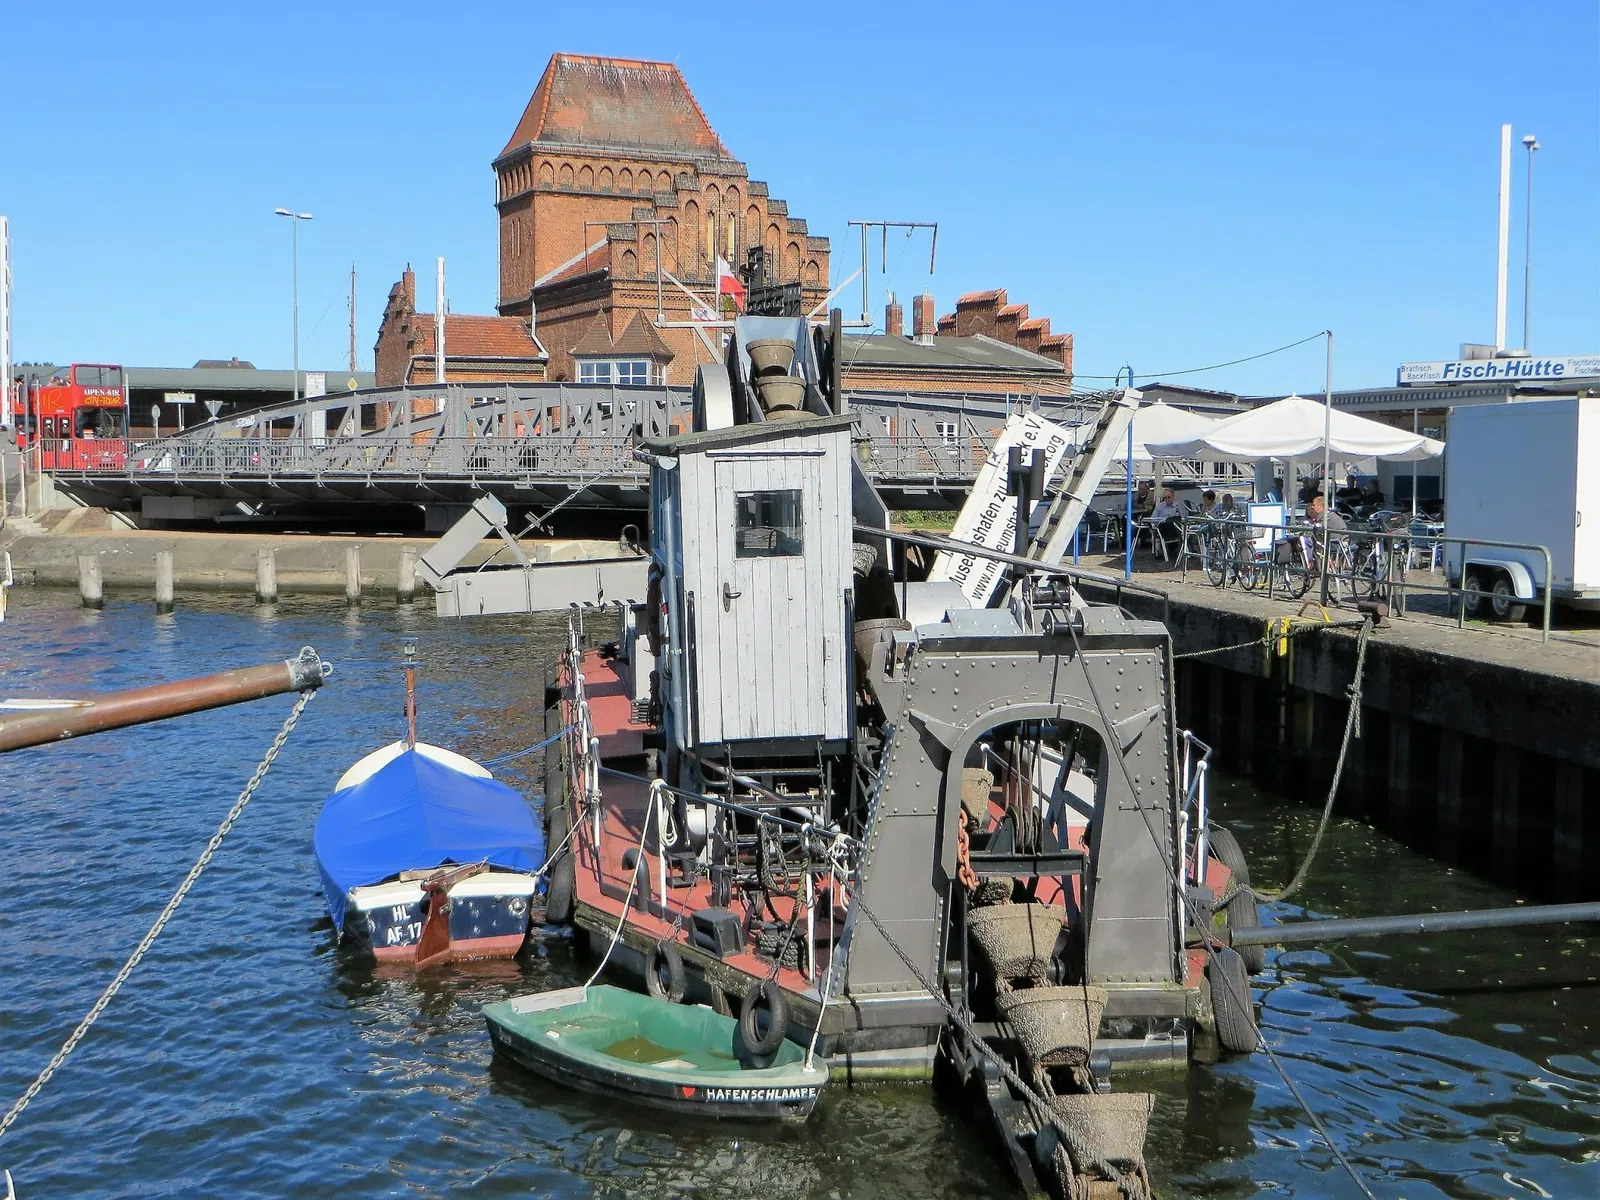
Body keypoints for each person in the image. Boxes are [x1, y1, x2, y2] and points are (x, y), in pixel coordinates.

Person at [1149, 487, 1184, 558]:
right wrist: (1162, 520)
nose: (1167, 499)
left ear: (1173, 497)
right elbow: (1153, 518)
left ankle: (1180, 550)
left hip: (1177, 528)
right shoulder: (1160, 506)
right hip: (1164, 528)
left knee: (1179, 526)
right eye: (1165, 498)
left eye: (1169, 497)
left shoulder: (1178, 506)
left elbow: (1183, 516)